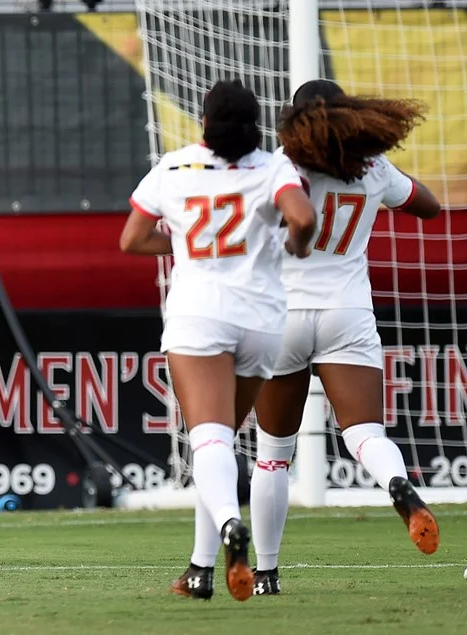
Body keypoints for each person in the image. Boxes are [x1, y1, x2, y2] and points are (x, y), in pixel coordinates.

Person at [119, 79, 317, 601]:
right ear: (256, 125)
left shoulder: (174, 166)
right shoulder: (273, 167)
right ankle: (200, 570)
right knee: (221, 439)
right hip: (262, 319)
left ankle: (231, 523)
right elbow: (302, 217)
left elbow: (132, 238)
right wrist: (296, 247)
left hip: (200, 313)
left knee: (207, 439)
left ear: (204, 122)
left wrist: (186, 242)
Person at [248, 80, 442, 595]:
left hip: (283, 312)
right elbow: (429, 207)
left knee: (273, 453)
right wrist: (378, 174)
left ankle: (266, 574)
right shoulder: (372, 168)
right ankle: (399, 487)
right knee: (365, 434)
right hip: (348, 312)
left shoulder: (279, 168)